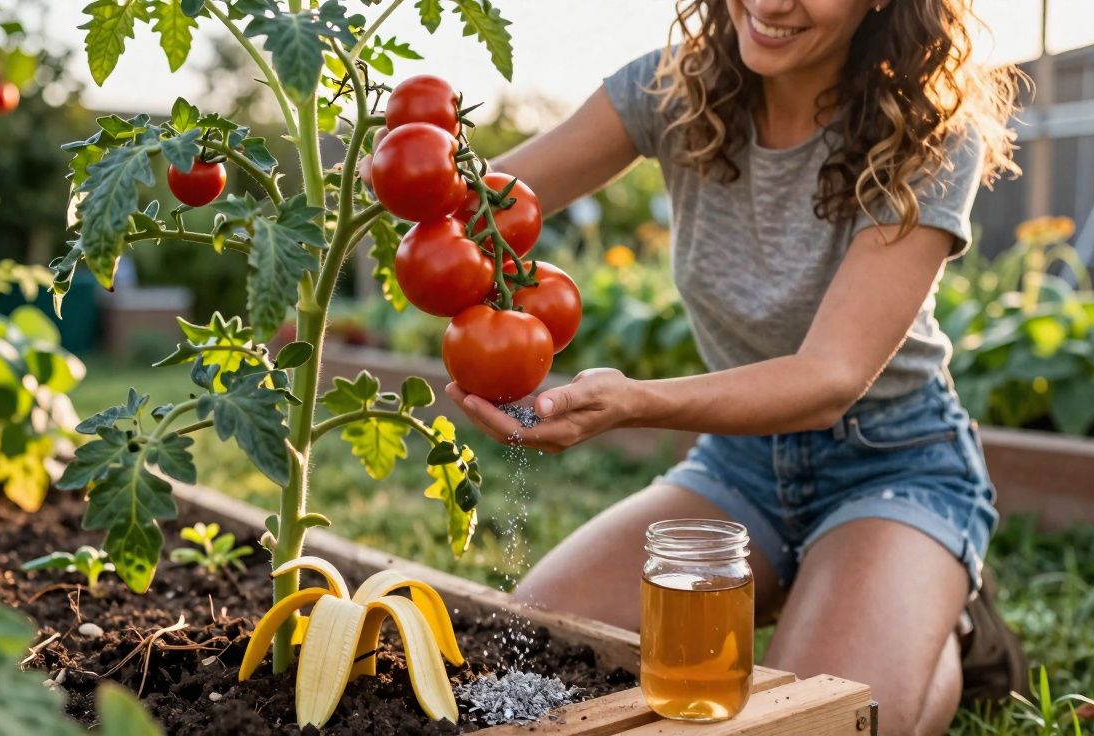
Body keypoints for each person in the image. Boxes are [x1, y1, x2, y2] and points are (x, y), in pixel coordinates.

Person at [436, 1, 1029, 734]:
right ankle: (864, 590)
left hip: (895, 463)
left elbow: (829, 378)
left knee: (823, 719)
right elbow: (479, 205)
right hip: (740, 465)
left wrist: (633, 401)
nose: (773, 4)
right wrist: (398, 162)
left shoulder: (930, 130)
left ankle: (949, 623)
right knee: (533, 647)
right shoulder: (671, 90)